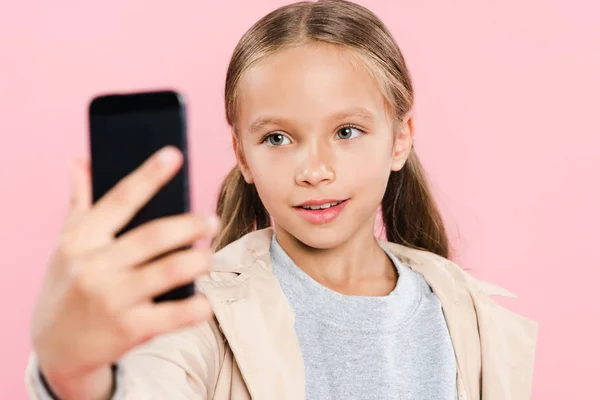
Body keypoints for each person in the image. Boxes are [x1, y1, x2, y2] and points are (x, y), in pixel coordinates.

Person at [25, 0, 538, 399]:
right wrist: (72, 374)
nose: (314, 171)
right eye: (277, 138)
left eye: (347, 130)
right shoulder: (193, 311)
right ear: (242, 156)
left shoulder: (468, 311)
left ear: (401, 138)